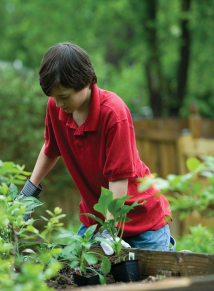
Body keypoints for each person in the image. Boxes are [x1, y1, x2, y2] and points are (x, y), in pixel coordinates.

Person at [19, 42, 175, 254]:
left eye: (64, 96)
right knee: (79, 276)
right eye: (53, 97)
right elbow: (51, 148)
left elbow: (118, 178)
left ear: (85, 82)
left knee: (150, 282)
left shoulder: (113, 112)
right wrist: (27, 195)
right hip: (97, 221)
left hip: (142, 223)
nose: (58, 103)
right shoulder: (56, 107)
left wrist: (110, 230)